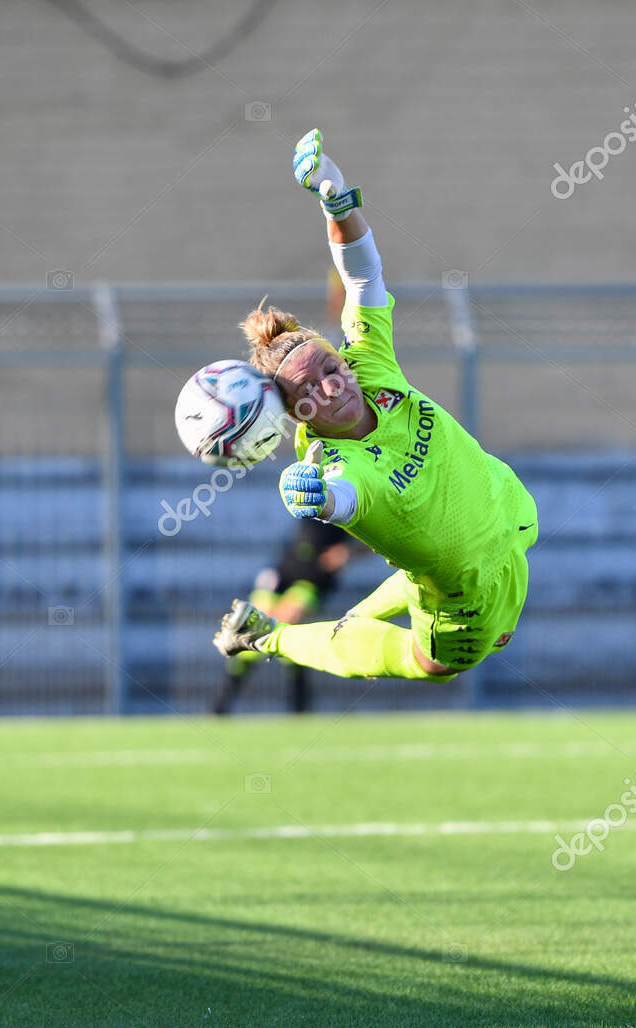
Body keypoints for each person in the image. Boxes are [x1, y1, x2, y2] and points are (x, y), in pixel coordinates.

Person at [213, 129, 538, 684]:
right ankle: (266, 636)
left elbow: (362, 274)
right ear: (296, 415)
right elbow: (343, 498)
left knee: (394, 588)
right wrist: (312, 496)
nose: (333, 386)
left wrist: (334, 197)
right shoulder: (336, 465)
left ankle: (355, 615)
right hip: (466, 601)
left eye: (330, 368)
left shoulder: (369, 364)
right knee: (430, 664)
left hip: (514, 513)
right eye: (309, 390)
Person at [211, 520, 358, 714]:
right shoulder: (310, 496)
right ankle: (220, 706)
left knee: (285, 626)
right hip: (284, 568)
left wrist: (349, 552)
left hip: (314, 576)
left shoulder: (351, 502)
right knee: (251, 627)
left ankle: (299, 707)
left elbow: (373, 541)